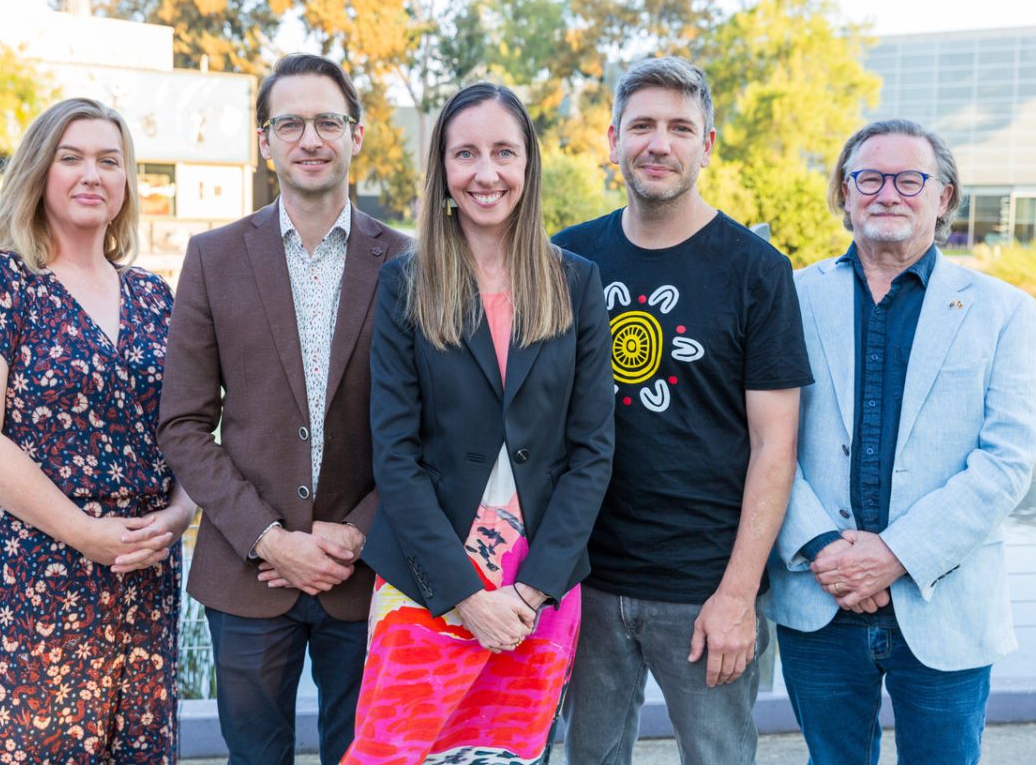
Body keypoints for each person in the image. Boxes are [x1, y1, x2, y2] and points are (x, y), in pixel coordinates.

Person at [340, 83, 615, 764]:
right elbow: (395, 455)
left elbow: (592, 452)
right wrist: (465, 596)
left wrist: (528, 589)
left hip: (539, 587)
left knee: (507, 754)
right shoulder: (407, 283)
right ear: (443, 169)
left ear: (528, 165)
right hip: (428, 578)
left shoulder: (576, 284)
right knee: (396, 751)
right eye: (465, 153)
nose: (485, 173)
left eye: (503, 152)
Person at [553, 56, 813, 765]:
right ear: (612, 139)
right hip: (585, 584)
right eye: (641, 126)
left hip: (704, 590)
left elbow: (775, 447)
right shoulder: (568, 258)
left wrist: (737, 595)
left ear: (708, 143)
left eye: (678, 127)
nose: (657, 143)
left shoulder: (756, 271)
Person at [156, 54, 410, 765]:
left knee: (365, 757)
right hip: (246, 573)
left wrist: (355, 535)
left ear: (357, 134)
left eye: (328, 120)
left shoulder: (410, 264)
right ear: (264, 141)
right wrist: (269, 537)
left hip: (367, 572)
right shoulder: (212, 258)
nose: (310, 139)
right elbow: (182, 423)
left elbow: (434, 431)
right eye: (289, 122)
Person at [0, 97, 195, 763]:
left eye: (110, 160)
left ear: (127, 180)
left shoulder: (155, 298)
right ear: (39, 171)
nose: (91, 174)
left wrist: (179, 516)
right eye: (70, 157)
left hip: (141, 577)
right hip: (26, 582)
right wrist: (86, 534)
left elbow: (190, 428)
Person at [767, 119, 1036, 765]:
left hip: (946, 600)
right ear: (845, 191)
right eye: (869, 177)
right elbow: (762, 439)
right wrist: (824, 550)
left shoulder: (1003, 310)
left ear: (943, 196)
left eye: (909, 179)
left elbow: (1005, 463)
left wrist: (893, 555)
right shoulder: (788, 297)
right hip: (819, 594)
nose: (888, 192)